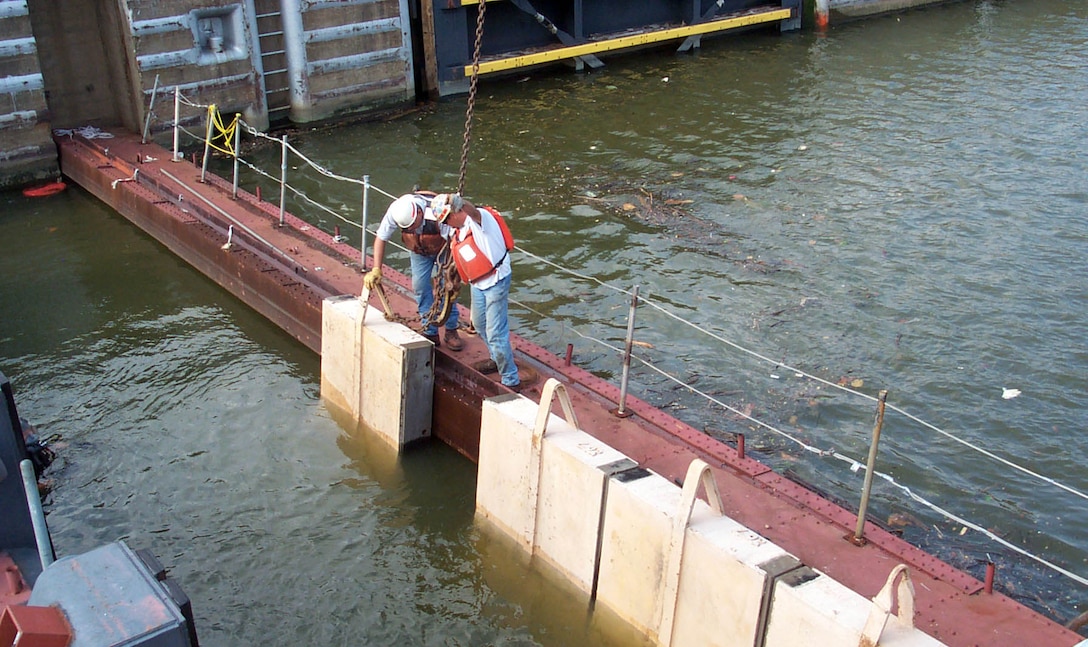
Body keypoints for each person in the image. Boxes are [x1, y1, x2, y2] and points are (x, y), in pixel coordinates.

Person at [430, 193, 519, 391]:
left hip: (496, 280)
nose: (448, 224)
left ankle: (510, 379)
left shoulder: (480, 220)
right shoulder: (458, 230)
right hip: (478, 283)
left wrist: (460, 203)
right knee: (479, 324)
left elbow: (473, 211)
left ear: (456, 212)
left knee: (496, 332)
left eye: (447, 218)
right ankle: (497, 358)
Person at [363, 192, 463, 350]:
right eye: (407, 228)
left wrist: (453, 273)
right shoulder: (396, 211)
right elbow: (381, 238)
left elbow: (455, 241)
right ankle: (430, 331)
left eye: (413, 226)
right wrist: (376, 268)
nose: (411, 230)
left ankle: (451, 330)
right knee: (420, 286)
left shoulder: (437, 213)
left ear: (420, 213)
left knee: (446, 289)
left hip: (444, 248)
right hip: (419, 251)